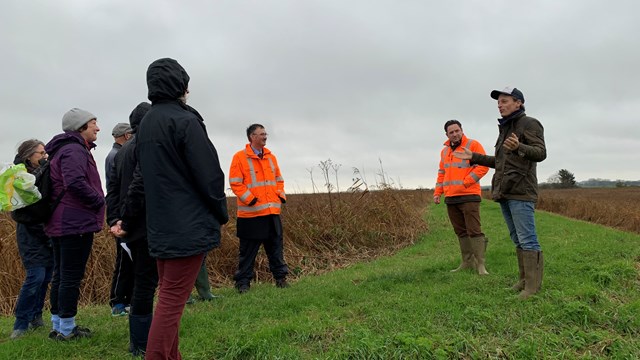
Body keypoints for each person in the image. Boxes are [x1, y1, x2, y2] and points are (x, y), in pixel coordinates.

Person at [134, 58, 228, 359]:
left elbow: (143, 178)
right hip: (186, 225)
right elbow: (210, 175)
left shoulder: (148, 122)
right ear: (180, 85)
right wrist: (220, 212)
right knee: (172, 301)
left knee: (169, 297)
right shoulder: (185, 121)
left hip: (160, 224)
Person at [454, 87, 546, 299]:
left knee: (528, 239)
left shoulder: (530, 123)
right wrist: (475, 156)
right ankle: (523, 281)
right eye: (498, 102)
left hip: (522, 191)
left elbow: (541, 153)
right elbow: (501, 162)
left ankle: (532, 288)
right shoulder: (505, 128)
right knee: (517, 238)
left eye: (504, 101)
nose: (500, 105)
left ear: (518, 103)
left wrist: (519, 146)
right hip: (505, 191)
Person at [45, 108, 105, 339]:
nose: (97, 127)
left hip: (62, 221)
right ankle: (68, 329)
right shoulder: (74, 150)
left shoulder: (62, 150)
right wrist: (100, 201)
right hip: (74, 222)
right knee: (70, 276)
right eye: (93, 123)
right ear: (81, 127)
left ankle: (58, 324)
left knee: (61, 274)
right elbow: (75, 183)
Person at [107, 102, 158, 356]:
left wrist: (114, 220)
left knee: (142, 281)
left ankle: (140, 340)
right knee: (146, 283)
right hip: (144, 225)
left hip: (130, 226)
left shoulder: (124, 149)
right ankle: (140, 343)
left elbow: (113, 190)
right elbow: (139, 187)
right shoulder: (143, 147)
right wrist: (125, 221)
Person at [229, 124, 289, 293]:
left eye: (265, 133)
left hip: (272, 213)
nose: (265, 136)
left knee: (276, 249)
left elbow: (279, 179)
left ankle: (281, 279)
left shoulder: (271, 157)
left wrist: (280, 195)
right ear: (252, 137)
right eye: (261, 134)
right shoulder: (239, 158)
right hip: (251, 216)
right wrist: (251, 200)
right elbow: (235, 183)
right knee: (247, 253)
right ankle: (243, 284)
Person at [9, 140, 53, 339]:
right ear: (29, 156)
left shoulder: (45, 169)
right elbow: (27, 195)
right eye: (41, 153)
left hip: (45, 228)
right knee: (35, 275)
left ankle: (36, 316)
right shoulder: (18, 174)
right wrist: (42, 170)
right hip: (28, 230)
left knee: (46, 275)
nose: (45, 156)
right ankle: (20, 323)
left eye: (45, 152)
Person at [434, 120, 490, 275]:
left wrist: (466, 183)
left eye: (457, 130)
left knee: (474, 230)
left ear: (462, 130)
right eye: (451, 132)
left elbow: (483, 166)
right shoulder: (444, 152)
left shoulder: (473, 145)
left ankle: (480, 265)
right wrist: (438, 192)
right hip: (451, 198)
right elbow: (442, 173)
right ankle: (467, 262)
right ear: (447, 135)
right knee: (460, 231)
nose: (455, 134)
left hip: (469, 195)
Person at [106, 122, 134, 317]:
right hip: (121, 215)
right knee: (124, 260)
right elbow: (114, 189)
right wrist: (116, 217)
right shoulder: (117, 155)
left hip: (122, 212)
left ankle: (127, 301)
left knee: (129, 260)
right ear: (126, 136)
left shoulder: (116, 153)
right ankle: (117, 302)